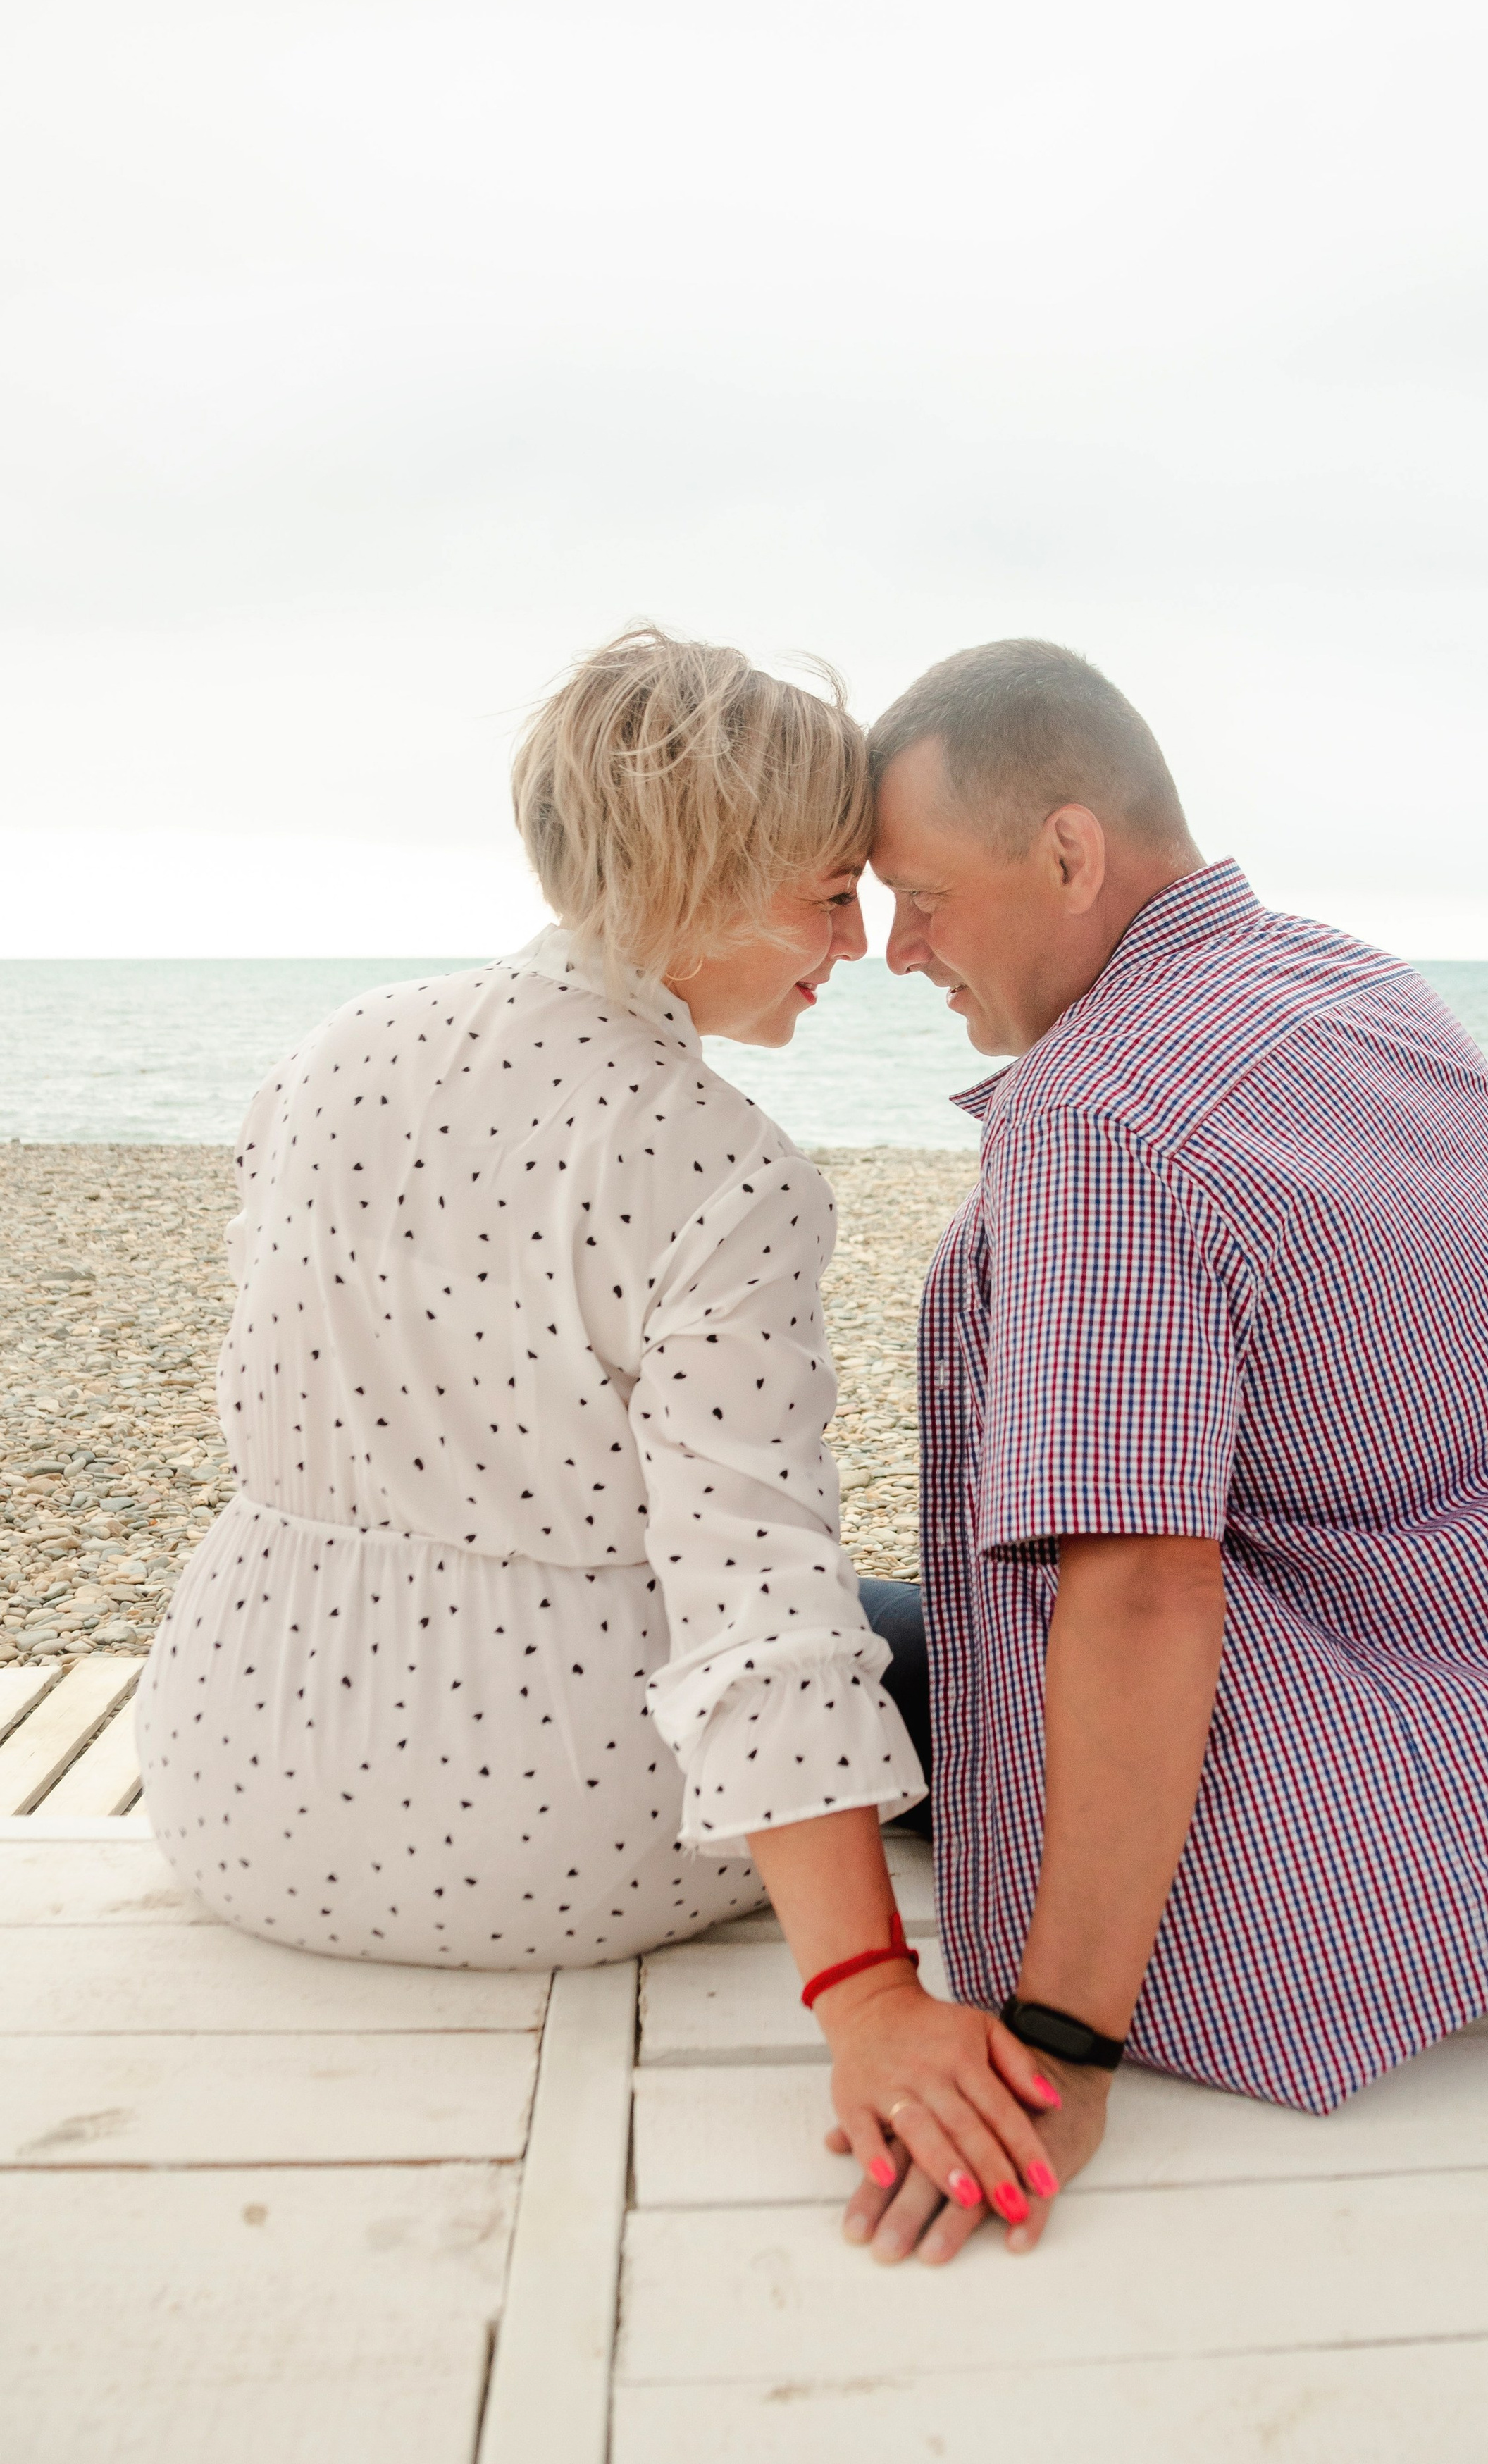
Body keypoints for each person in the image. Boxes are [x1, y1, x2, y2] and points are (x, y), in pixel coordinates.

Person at [841, 634, 1488, 2267]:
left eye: (922, 895)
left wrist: (1060, 2037)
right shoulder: (1351, 980)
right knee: (885, 1629)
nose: (899, 951)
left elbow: (1140, 1589)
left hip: (1383, 1804)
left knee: (813, 1661)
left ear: (1066, 850)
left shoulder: (1095, 1112)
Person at [136, 624, 1058, 2236]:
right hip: (564, 1833)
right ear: (700, 878)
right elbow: (754, 1594)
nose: (853, 945)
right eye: (828, 894)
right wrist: (865, 1994)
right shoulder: (722, 1165)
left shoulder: (327, 1056)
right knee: (957, 1638)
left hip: (227, 1781)